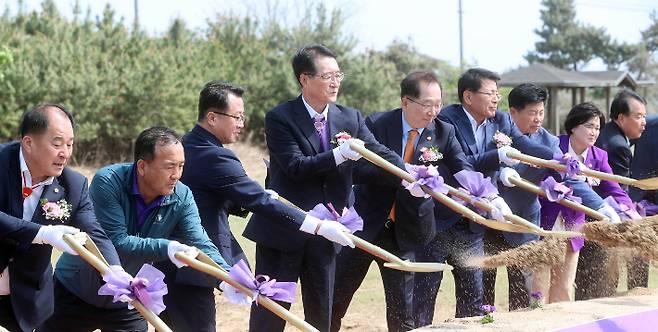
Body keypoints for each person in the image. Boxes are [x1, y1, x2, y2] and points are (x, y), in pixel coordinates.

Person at [243, 44, 406, 331]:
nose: (335, 82)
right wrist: (338, 155)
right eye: (327, 76)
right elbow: (295, 167)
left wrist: (408, 176)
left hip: (329, 231)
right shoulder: (280, 117)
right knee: (270, 314)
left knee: (322, 314)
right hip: (284, 230)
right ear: (304, 79)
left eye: (338, 75)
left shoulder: (349, 117)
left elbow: (376, 151)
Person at [41, 126, 230, 332]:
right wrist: (167, 247)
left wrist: (228, 279)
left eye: (181, 166)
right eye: (169, 167)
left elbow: (200, 242)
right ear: (142, 166)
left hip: (128, 297)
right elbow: (115, 241)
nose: (176, 175)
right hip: (74, 292)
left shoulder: (182, 196)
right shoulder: (108, 181)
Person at [414, 68, 542, 324]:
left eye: (498, 93)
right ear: (469, 97)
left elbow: (525, 146)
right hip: (440, 219)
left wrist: (558, 157)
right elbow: (458, 163)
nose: (496, 99)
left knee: (474, 296)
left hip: (473, 225)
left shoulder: (501, 121)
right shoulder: (446, 121)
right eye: (490, 93)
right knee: (425, 294)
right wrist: (496, 158)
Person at [181, 80, 354, 267]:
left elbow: (207, 194)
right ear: (212, 118)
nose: (242, 124)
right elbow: (258, 201)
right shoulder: (215, 156)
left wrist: (245, 200)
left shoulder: (187, 144)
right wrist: (319, 227)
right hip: (196, 251)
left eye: (242, 117)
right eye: (237, 117)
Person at [331, 71, 450, 332]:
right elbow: (358, 170)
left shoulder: (444, 131)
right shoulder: (377, 123)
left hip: (405, 232)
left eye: (438, 104)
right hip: (365, 225)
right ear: (405, 102)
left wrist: (489, 194)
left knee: (403, 313)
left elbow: (460, 168)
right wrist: (402, 177)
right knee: (334, 301)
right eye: (427, 104)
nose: (433, 112)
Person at [0, 104, 120, 332]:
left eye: (70, 144)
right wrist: (42, 234)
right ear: (28, 143)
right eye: (56, 144)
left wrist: (114, 271)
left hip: (25, 299)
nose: (65, 152)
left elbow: (93, 231)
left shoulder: (73, 185)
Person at [540, 102, 635, 302]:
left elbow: (613, 187)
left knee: (565, 285)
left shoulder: (599, 156)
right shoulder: (553, 146)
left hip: (574, 224)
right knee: (539, 284)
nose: (594, 132)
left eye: (598, 128)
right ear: (574, 126)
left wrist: (629, 211)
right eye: (589, 126)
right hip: (545, 223)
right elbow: (561, 180)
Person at [595, 90, 648, 290]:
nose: (644, 122)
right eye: (638, 116)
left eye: (644, 116)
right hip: (605, 215)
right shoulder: (618, 146)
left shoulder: (610, 133)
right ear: (621, 118)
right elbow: (616, 189)